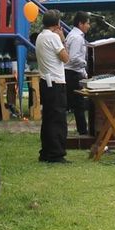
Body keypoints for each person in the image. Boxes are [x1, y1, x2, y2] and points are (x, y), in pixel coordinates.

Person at [35, 9, 70, 163]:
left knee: (48, 118)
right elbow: (65, 58)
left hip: (45, 80)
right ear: (57, 24)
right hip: (56, 82)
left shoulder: (40, 37)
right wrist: (62, 39)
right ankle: (56, 153)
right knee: (58, 118)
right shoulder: (54, 37)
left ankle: (46, 151)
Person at [63, 11, 92, 135]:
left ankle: (82, 129)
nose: (89, 26)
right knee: (78, 105)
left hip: (74, 72)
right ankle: (83, 131)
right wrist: (87, 63)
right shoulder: (77, 37)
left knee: (77, 104)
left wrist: (84, 72)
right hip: (72, 74)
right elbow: (74, 58)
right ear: (81, 23)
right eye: (87, 23)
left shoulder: (73, 35)